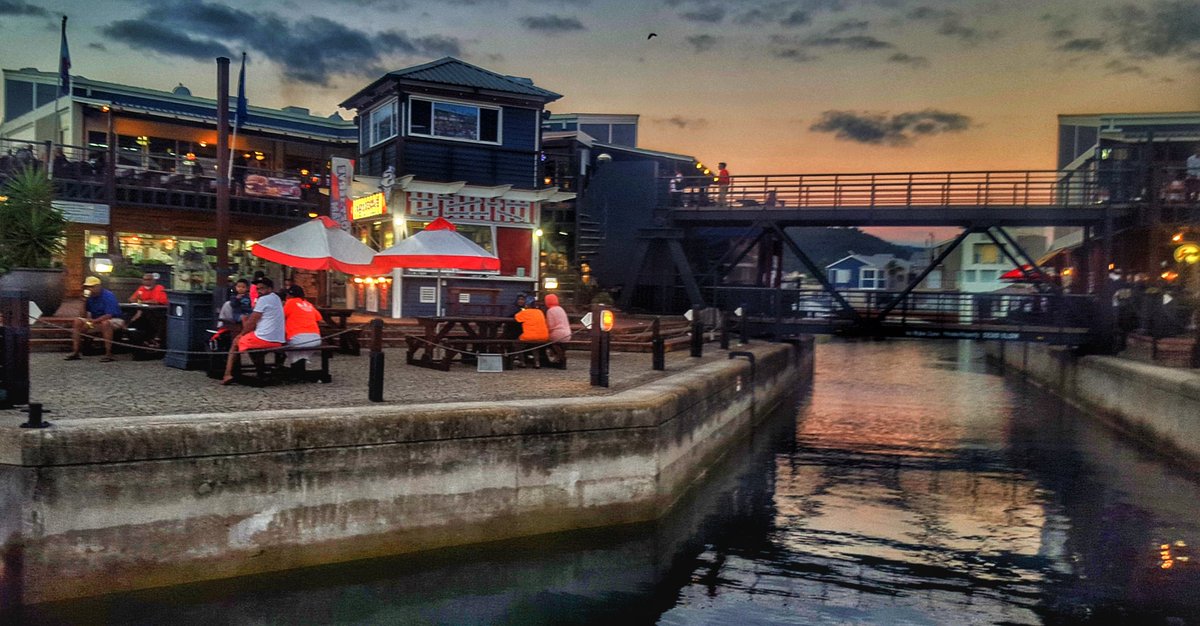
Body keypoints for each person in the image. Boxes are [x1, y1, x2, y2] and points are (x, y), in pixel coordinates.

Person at [222, 276, 285, 384]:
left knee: (235, 342)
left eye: (262, 288)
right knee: (251, 345)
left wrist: (241, 334)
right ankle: (261, 371)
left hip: (264, 338)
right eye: (258, 289)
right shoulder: (276, 298)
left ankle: (227, 374)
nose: (259, 291)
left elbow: (252, 321)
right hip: (278, 339)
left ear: (270, 289)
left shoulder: (263, 299)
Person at [65, 276, 125, 362]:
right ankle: (76, 351)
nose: (90, 289)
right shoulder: (89, 297)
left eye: (92, 287)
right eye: (88, 287)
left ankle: (109, 353)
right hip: (96, 320)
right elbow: (83, 315)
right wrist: (83, 302)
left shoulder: (108, 295)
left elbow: (109, 315)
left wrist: (93, 322)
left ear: (98, 286)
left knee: (106, 323)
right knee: (77, 321)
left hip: (114, 320)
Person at [282, 285, 324, 366]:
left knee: (281, 343)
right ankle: (299, 366)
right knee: (299, 353)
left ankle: (293, 368)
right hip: (316, 339)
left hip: (297, 338)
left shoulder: (290, 302)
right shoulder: (308, 304)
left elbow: (280, 317)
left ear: (290, 295)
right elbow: (319, 318)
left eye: (286, 295)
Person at [514, 297, 549, 368]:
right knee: (534, 346)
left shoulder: (525, 312)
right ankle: (537, 363)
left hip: (529, 336)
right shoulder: (540, 312)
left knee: (517, 344)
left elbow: (517, 318)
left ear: (527, 305)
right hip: (543, 336)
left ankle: (522, 362)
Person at [543, 293, 571, 365]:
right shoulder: (561, 309)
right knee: (560, 345)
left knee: (546, 342)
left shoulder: (550, 311)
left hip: (557, 334)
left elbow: (551, 325)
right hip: (568, 333)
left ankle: (558, 358)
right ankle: (559, 358)